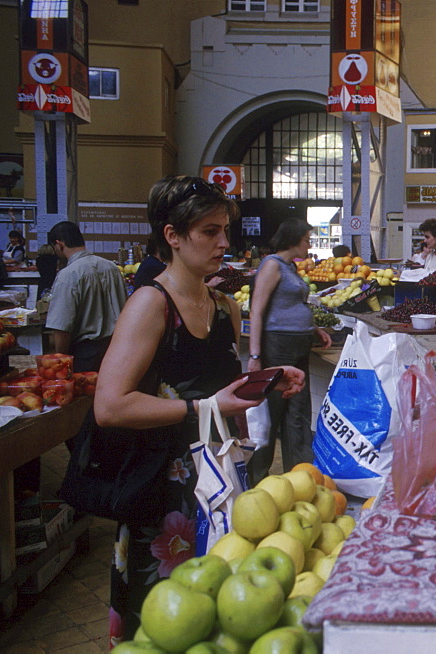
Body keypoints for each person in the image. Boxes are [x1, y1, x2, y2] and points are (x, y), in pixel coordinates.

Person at [95, 175, 305, 643]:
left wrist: (267, 382)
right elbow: (110, 405)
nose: (224, 242)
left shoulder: (224, 305)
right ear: (172, 236)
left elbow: (217, 390)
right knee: (163, 627)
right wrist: (204, 405)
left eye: (224, 230)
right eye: (210, 231)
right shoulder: (151, 305)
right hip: (164, 494)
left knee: (218, 621)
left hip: (223, 484)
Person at [247, 218, 333, 484]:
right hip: (278, 347)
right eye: (307, 239)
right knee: (273, 414)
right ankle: (258, 479)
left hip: (298, 345)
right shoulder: (272, 265)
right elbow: (257, 310)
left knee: (298, 412)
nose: (309, 244)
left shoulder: (289, 267)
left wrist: (314, 328)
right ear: (294, 239)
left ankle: (299, 478)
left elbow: (294, 305)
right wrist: (255, 356)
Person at [45, 221, 128, 372]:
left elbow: (62, 326)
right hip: (117, 350)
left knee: (88, 395)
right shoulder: (111, 267)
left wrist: (60, 361)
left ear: (59, 244)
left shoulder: (68, 275)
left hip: (86, 355)